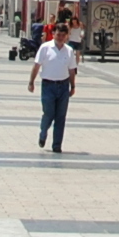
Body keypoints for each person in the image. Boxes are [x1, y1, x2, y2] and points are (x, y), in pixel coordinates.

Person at [28, 21, 78, 154]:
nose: (60, 37)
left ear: (66, 36)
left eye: (63, 35)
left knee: (61, 117)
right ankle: (43, 133)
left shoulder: (69, 51)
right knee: (49, 114)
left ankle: (57, 145)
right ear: (53, 34)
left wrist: (72, 86)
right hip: (48, 85)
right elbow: (36, 65)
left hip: (63, 86)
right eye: (58, 34)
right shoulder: (45, 48)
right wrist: (31, 82)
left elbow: (72, 70)